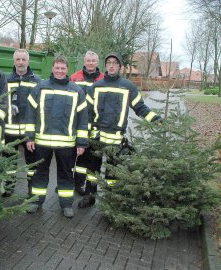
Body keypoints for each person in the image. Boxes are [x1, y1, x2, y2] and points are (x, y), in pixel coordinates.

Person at [78, 52, 161, 208]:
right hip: (96, 138)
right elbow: (87, 115)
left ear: (120, 66)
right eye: (108, 62)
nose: (111, 65)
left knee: (112, 175)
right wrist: (85, 137)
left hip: (116, 140)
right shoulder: (96, 87)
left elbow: (140, 107)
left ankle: (111, 201)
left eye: (115, 63)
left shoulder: (128, 87)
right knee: (92, 171)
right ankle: (89, 197)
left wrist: (155, 119)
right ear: (105, 65)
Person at [25, 56, 89, 218]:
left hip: (67, 144)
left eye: (63, 68)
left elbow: (82, 119)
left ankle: (66, 204)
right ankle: (36, 201)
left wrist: (81, 143)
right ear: (52, 68)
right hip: (41, 141)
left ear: (67, 70)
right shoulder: (40, 88)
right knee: (40, 172)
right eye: (57, 68)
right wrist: (29, 137)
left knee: (66, 173)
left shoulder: (76, 91)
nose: (59, 71)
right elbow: (30, 114)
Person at [4, 49, 41, 196]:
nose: (20, 62)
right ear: (14, 61)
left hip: (28, 132)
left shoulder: (36, 81)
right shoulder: (5, 80)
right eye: (18, 59)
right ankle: (8, 188)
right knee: (9, 163)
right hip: (9, 130)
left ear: (28, 61)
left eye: (23, 60)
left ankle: (32, 190)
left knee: (32, 164)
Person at [70, 51, 104, 196]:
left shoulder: (103, 78)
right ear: (84, 62)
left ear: (97, 63)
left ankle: (90, 188)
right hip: (78, 124)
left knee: (94, 159)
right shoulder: (75, 77)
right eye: (88, 60)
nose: (90, 63)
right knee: (77, 157)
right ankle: (77, 183)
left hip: (96, 125)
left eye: (93, 61)